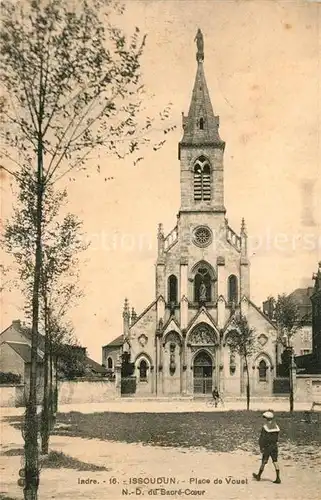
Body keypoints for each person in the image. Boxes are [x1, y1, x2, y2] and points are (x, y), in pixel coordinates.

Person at [253, 410, 281, 484]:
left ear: (266, 419)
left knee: (264, 461)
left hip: (267, 446)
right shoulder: (276, 426)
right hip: (274, 445)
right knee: (275, 461)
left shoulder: (265, 427)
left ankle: (259, 475)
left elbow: (262, 438)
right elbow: (277, 438)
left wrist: (261, 447)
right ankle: (278, 477)